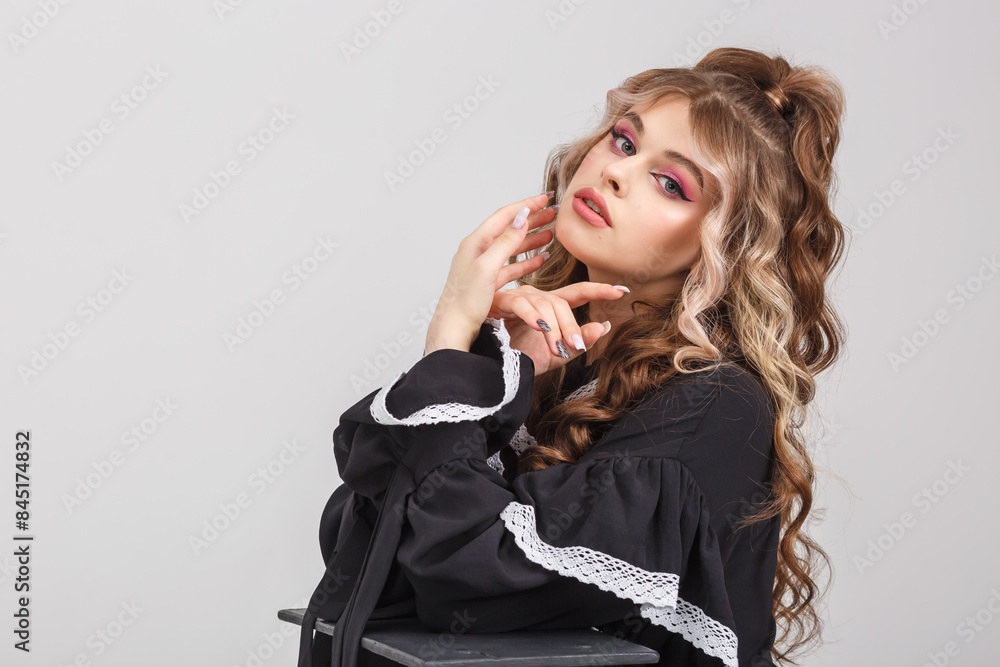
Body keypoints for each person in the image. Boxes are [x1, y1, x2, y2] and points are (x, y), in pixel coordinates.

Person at [296, 46, 848, 667]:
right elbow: (361, 549)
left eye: (671, 184)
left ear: (725, 245)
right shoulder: (557, 361)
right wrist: (490, 378)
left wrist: (449, 339)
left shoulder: (714, 403)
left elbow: (468, 579)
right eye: (624, 141)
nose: (617, 173)